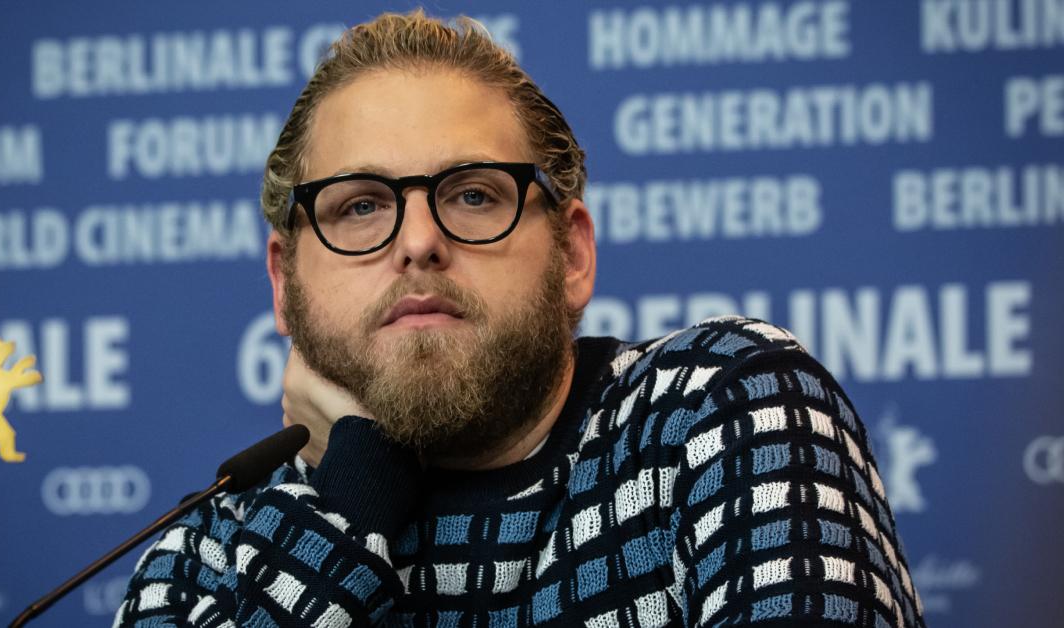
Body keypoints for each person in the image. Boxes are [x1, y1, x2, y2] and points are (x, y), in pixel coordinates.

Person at [117, 11, 926, 628]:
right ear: (285, 284)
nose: (420, 241)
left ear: (572, 256)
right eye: (361, 206)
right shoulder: (204, 558)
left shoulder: (719, 408)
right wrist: (352, 506)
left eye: (473, 195)